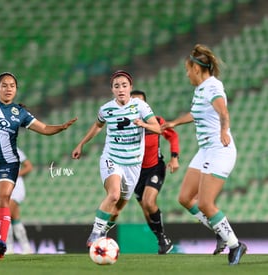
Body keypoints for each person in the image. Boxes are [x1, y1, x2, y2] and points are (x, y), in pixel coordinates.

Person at [0, 72, 76, 259]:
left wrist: (60, 127)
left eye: (12, 85)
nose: (8, 88)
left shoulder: (21, 113)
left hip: (8, 162)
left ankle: (1, 243)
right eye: (4, 85)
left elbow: (43, 128)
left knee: (4, 198)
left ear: (16, 89)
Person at [162, 44, 247, 265]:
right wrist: (174, 122)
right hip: (206, 150)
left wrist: (223, 130)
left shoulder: (212, 86)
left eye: (187, 69)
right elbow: (195, 113)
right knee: (184, 198)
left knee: (205, 204)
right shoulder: (200, 89)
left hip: (220, 149)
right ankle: (220, 231)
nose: (187, 74)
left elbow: (223, 111)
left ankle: (236, 245)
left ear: (196, 69)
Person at [72, 70, 161, 248]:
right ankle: (96, 232)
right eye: (116, 86)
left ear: (130, 87)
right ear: (112, 89)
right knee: (113, 194)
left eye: (124, 85)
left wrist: (143, 124)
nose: (121, 89)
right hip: (112, 158)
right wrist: (81, 144)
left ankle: (104, 229)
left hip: (133, 163)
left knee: (118, 208)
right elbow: (97, 126)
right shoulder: (106, 109)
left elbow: (158, 128)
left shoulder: (140, 106)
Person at [130, 90, 180, 255]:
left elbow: (172, 137)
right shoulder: (125, 126)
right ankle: (162, 239)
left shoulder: (156, 122)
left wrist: (174, 158)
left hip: (155, 167)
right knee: (145, 209)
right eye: (134, 101)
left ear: (146, 105)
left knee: (149, 202)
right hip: (135, 172)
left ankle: (163, 238)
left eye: (140, 102)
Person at [6, 147, 33, 254]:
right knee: (15, 218)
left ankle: (8, 246)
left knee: (5, 215)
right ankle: (26, 247)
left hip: (16, 187)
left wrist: (15, 174)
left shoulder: (14, 149)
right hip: (5, 188)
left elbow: (29, 166)